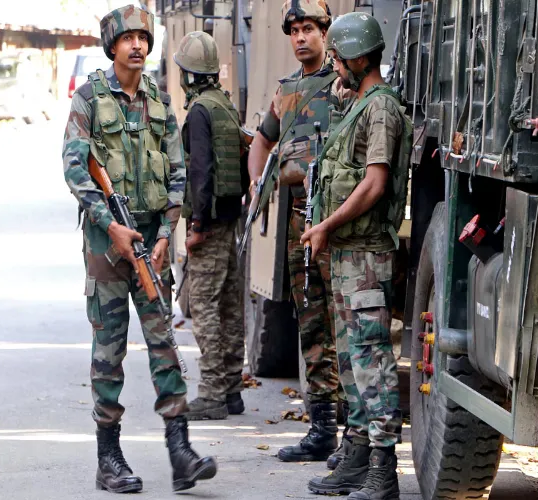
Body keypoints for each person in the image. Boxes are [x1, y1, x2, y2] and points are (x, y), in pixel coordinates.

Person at [62, 5, 217, 493]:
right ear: (112, 45)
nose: (136, 45)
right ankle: (109, 458)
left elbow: (177, 171)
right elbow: (74, 169)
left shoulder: (159, 99)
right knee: (108, 353)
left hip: (152, 243)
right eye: (127, 38)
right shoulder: (88, 98)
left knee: (164, 348)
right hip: (107, 248)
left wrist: (168, 232)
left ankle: (180, 451)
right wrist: (111, 227)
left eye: (142, 38)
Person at [301, 12, 412, 500]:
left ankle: (383, 472)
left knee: (373, 365)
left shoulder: (381, 109)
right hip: (349, 255)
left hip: (367, 255)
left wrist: (325, 225)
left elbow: (374, 183)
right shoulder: (359, 105)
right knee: (351, 364)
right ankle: (357, 457)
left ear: (360, 58)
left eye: (340, 58)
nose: (336, 67)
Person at [247, 0, 353, 466]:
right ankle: (323, 429)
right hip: (298, 218)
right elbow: (263, 142)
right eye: (294, 31)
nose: (300, 38)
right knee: (311, 320)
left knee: (346, 322)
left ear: (325, 32)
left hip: (340, 216)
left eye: (309, 28)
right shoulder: (286, 91)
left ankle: (356, 436)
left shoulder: (344, 85)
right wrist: (258, 182)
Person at [173, 30, 247, 421]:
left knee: (204, 307)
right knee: (230, 306)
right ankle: (232, 389)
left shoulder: (200, 110)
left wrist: (197, 223)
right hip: (230, 218)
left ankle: (213, 393)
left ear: (189, 74)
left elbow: (200, 170)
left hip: (211, 221)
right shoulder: (225, 105)